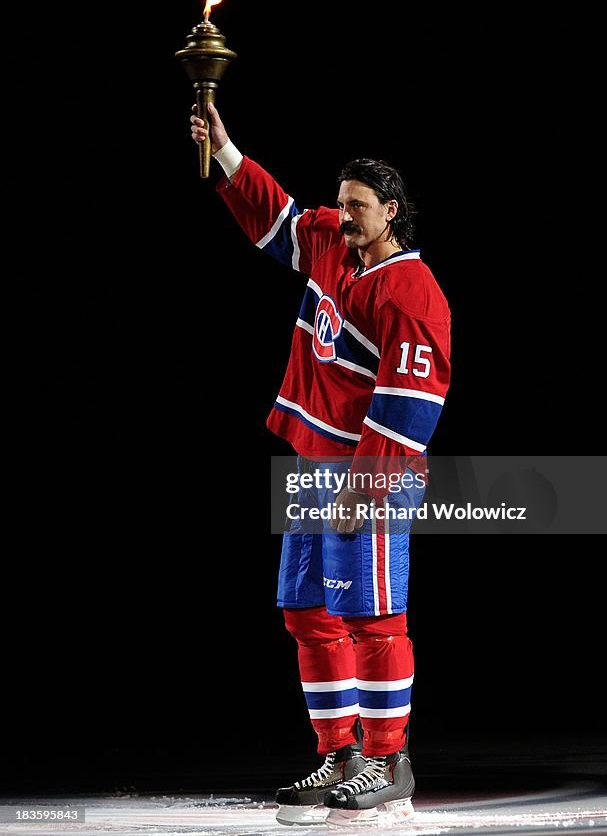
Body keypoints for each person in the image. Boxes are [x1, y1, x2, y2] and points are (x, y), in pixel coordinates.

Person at [190, 104, 451, 826]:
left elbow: (409, 404)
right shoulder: (332, 244)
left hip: (366, 475)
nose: (341, 217)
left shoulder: (412, 294)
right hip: (311, 465)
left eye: (357, 208)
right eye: (339, 204)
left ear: (391, 212)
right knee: (306, 612)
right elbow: (274, 216)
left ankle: (387, 761)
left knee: (372, 616)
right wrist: (223, 148)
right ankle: (337, 754)